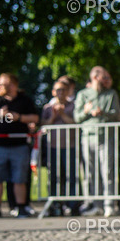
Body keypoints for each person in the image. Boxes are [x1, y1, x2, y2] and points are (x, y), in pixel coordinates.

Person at [0, 73, 38, 217]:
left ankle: (20, 207)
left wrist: (19, 117)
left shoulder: (24, 100)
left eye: (2, 84)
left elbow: (35, 117)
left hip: (19, 145)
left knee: (19, 178)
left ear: (12, 85)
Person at [74, 66, 120, 217]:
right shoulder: (83, 94)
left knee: (107, 171)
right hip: (88, 137)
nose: (108, 80)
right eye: (105, 77)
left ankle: (109, 204)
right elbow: (77, 117)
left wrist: (104, 113)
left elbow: (117, 114)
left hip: (106, 137)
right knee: (90, 173)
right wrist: (87, 111)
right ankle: (95, 204)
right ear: (96, 78)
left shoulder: (111, 94)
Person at [40, 77, 79, 216]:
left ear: (68, 91)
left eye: (63, 90)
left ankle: (72, 205)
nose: (60, 93)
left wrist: (63, 114)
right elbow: (43, 125)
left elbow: (75, 124)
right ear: (53, 92)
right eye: (58, 90)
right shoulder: (47, 108)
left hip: (71, 146)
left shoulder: (73, 105)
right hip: (53, 147)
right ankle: (55, 205)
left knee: (71, 177)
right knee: (55, 177)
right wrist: (53, 117)